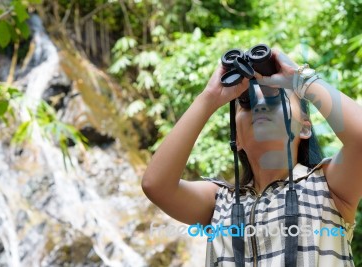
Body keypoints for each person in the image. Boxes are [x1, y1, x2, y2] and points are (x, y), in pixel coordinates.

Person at [142, 48, 360, 266]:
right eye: (246, 102)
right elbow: (156, 185)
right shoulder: (219, 202)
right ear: (237, 139)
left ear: (304, 128)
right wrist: (209, 98)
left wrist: (300, 80)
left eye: (274, 96)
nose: (260, 104)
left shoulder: (328, 186)